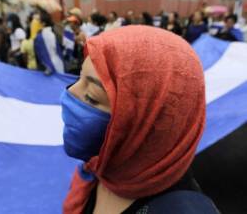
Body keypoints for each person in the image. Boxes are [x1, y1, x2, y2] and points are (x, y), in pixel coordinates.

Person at [60, 26, 219, 214]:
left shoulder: (182, 209)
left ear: (148, 124)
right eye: (79, 77)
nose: (69, 93)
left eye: (92, 97)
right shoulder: (102, 166)